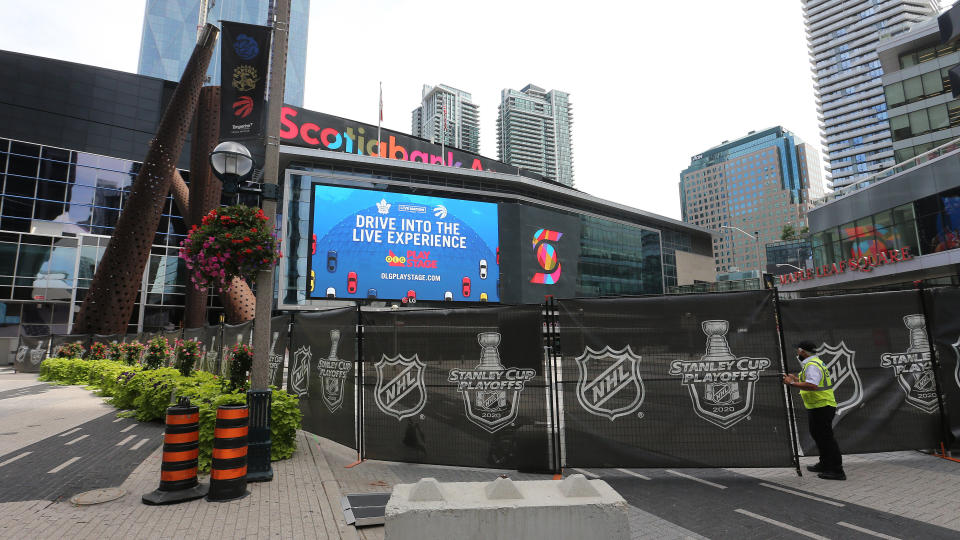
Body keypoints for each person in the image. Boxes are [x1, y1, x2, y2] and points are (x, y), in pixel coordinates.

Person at [782, 340, 845, 481]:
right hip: (817, 406)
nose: (797, 353)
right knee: (818, 435)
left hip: (822, 405)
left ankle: (837, 470)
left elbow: (812, 385)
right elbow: (812, 380)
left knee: (826, 438)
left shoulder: (812, 365)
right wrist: (796, 378)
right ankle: (825, 464)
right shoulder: (814, 362)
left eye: (798, 350)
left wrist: (792, 383)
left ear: (803, 351)